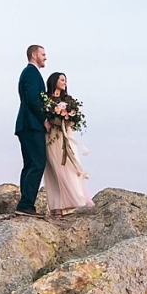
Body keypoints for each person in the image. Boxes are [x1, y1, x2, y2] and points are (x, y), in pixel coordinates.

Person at [43, 72, 93, 217]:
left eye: (65, 80)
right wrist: (54, 118)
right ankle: (57, 206)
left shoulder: (68, 100)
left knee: (71, 167)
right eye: (62, 80)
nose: (65, 82)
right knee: (55, 169)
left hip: (67, 135)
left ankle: (73, 202)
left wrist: (68, 118)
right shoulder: (47, 100)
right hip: (52, 136)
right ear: (54, 81)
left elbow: (73, 120)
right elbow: (45, 116)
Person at [14, 44, 51, 217]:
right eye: (43, 54)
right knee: (37, 163)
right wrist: (44, 119)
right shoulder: (30, 72)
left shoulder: (30, 73)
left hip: (26, 125)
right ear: (34, 54)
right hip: (31, 125)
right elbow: (32, 99)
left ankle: (25, 203)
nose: (45, 57)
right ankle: (26, 204)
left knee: (29, 164)